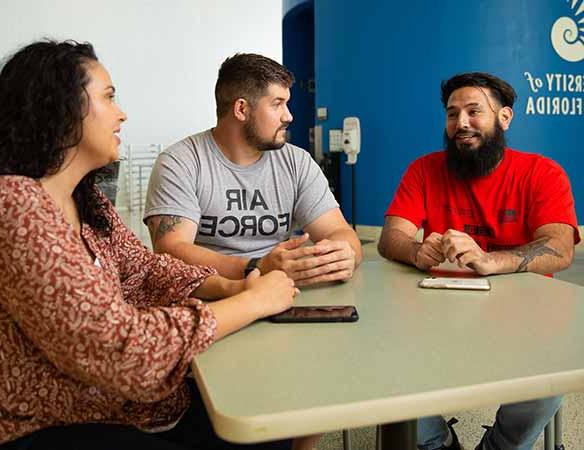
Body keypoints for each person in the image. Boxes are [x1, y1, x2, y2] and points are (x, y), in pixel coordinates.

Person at [0, 40, 298, 450]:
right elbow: (122, 350)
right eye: (109, 97)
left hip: (120, 407)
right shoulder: (12, 203)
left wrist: (234, 287)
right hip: (47, 426)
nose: (122, 113)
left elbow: (144, 267)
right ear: (58, 107)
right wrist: (252, 303)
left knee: (268, 414)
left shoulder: (85, 199)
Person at [378, 72, 580, 450]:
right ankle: (438, 443)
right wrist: (415, 251)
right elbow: (391, 238)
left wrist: (490, 260)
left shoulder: (542, 172)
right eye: (452, 114)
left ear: (504, 118)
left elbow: (560, 247)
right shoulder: (423, 169)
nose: (461, 124)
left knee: (549, 383)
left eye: (474, 111)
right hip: (434, 317)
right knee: (389, 376)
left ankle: (500, 446)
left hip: (527, 322)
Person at [143, 53, 362, 288]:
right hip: (209, 297)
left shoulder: (297, 162)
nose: (289, 116)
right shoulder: (179, 162)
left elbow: (340, 231)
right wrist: (255, 267)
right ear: (241, 109)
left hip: (281, 292)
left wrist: (345, 254)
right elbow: (170, 252)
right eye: (277, 104)